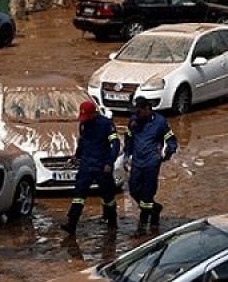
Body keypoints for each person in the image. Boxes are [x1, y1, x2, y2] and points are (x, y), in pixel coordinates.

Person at [61, 100, 120, 235]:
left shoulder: (106, 124)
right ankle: (71, 224)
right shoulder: (83, 124)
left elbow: (115, 145)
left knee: (108, 196)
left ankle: (112, 222)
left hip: (102, 166)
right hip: (86, 165)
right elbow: (82, 141)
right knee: (78, 195)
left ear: (94, 113)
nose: (85, 120)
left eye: (87, 116)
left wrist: (109, 163)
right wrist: (77, 155)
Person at [125, 97, 178, 232]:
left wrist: (168, 152)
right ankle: (155, 209)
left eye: (139, 111)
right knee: (134, 189)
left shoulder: (160, 122)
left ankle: (144, 221)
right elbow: (129, 138)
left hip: (151, 162)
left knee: (148, 193)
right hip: (137, 161)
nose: (137, 114)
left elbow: (171, 139)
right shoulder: (133, 121)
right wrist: (127, 155)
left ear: (147, 109)